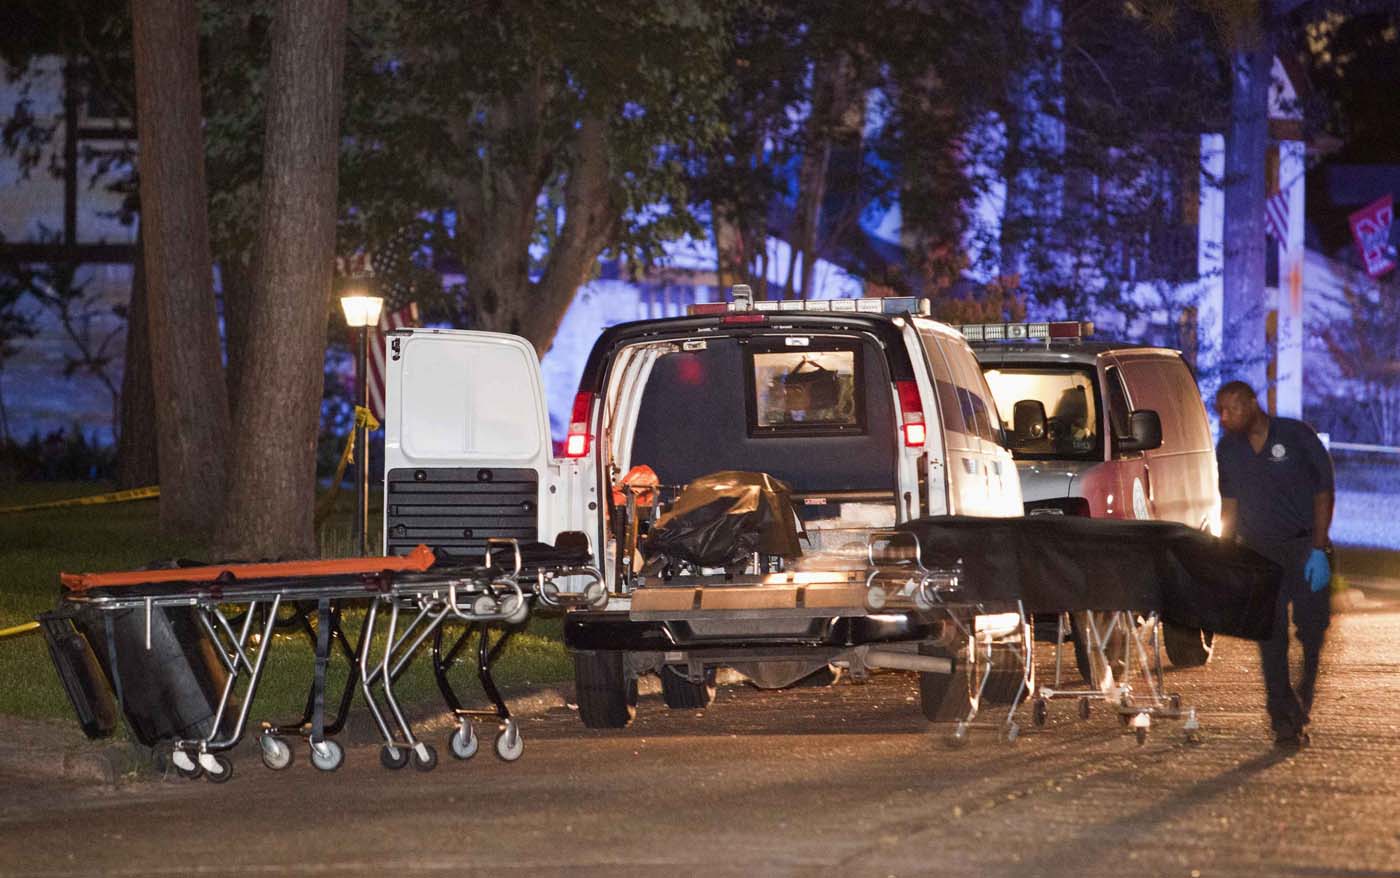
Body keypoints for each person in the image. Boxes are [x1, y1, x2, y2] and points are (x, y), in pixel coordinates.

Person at [1215, 380, 1335, 748]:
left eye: (1232, 408)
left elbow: (1324, 492)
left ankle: (1303, 698)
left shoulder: (1296, 435)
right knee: (1270, 636)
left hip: (1304, 548)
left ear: (1252, 403)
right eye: (1221, 410)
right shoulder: (1229, 450)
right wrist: (1225, 553)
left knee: (1312, 633)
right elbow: (1230, 506)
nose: (1225, 416)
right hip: (1259, 552)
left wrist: (1318, 546)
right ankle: (1281, 715)